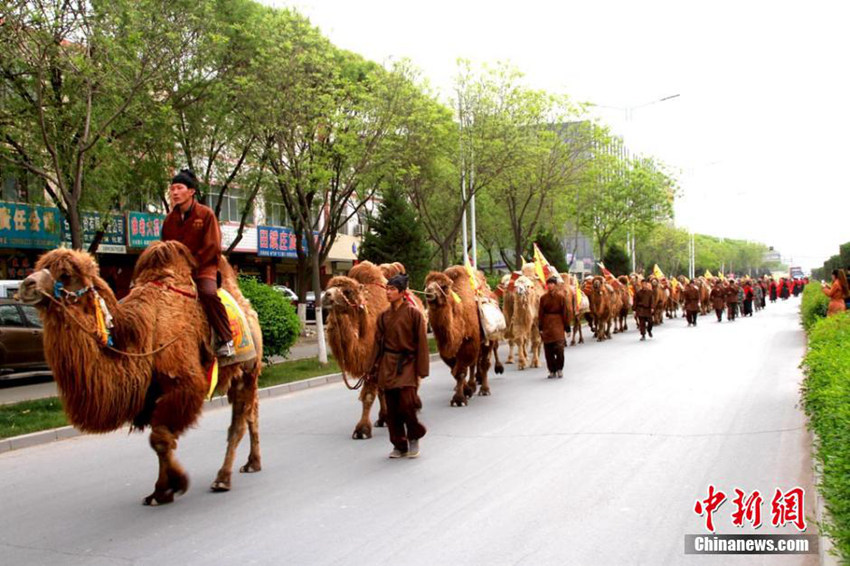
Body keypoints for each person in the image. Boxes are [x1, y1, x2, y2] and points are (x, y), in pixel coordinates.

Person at [161, 169, 234, 357]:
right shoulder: (169, 220)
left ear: (191, 191)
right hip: (176, 270)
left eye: (179, 188)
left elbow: (213, 247)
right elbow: (166, 248)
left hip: (204, 266)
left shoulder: (206, 214)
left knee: (207, 293)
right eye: (172, 189)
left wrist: (191, 264)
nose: (175, 192)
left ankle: (227, 339)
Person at [368, 274, 430, 458]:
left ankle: (413, 437)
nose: (388, 292)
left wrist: (422, 369)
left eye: (392, 289)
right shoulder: (383, 317)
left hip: (407, 363)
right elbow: (377, 344)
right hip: (388, 364)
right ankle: (399, 444)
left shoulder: (413, 314)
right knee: (391, 409)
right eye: (387, 289)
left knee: (407, 405)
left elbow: (422, 343)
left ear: (402, 292)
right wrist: (371, 368)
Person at [538, 275, 570, 378]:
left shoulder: (561, 297)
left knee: (560, 348)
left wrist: (567, 327)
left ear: (555, 285)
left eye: (552, 284)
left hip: (558, 324)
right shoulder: (543, 298)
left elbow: (565, 312)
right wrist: (540, 327)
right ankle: (552, 370)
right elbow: (540, 313)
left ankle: (559, 368)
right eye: (549, 284)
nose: (550, 286)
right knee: (548, 350)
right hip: (547, 324)